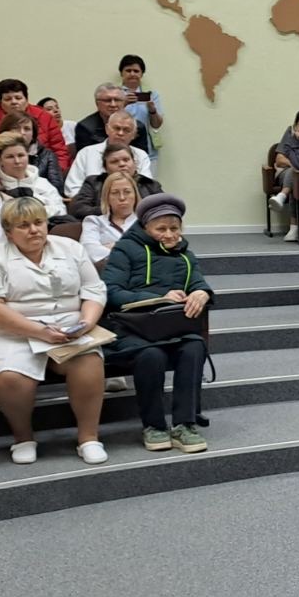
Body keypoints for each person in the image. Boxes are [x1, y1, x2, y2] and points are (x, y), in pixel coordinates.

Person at [0, 196, 108, 465]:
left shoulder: (70, 247)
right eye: (23, 225)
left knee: (89, 363)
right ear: (8, 232)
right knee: (12, 377)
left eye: (38, 222)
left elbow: (93, 290)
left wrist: (86, 324)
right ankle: (23, 438)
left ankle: (89, 438)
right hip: (10, 332)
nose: (34, 230)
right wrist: (40, 332)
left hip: (69, 328)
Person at [100, 193, 210, 453]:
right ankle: (154, 426)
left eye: (174, 228)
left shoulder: (186, 255)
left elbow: (198, 282)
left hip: (170, 326)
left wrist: (202, 292)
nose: (169, 235)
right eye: (161, 229)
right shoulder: (125, 249)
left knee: (194, 347)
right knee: (151, 355)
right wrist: (158, 298)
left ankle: (184, 424)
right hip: (130, 327)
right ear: (145, 227)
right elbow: (111, 292)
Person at [0, 78, 69, 169]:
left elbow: (59, 150)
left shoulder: (44, 116)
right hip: (6, 171)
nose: (14, 102)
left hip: (45, 169)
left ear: (26, 99)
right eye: (8, 99)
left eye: (18, 98)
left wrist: (56, 172)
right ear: (1, 102)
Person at [63, 111, 153, 197]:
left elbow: (147, 188)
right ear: (107, 129)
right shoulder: (86, 153)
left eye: (126, 130)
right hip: (92, 205)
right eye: (116, 128)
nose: (120, 133)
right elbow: (72, 188)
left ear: (134, 135)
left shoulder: (141, 155)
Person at [66, 141, 162, 219]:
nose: (122, 164)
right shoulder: (93, 183)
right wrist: (111, 210)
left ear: (134, 163)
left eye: (126, 160)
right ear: (105, 167)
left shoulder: (150, 185)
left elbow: (165, 208)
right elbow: (79, 209)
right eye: (114, 161)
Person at [0, 132, 67, 220]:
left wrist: (34, 213)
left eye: (21, 155)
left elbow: (61, 210)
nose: (17, 161)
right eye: (10, 157)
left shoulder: (42, 183)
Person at [270, 108, 299, 242]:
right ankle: (295, 227)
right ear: (295, 125)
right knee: (295, 175)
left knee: (297, 181)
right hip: (289, 173)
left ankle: (283, 198)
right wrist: (293, 166)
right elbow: (279, 159)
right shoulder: (290, 135)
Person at [0, 110, 66, 196]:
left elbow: (56, 188)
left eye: (27, 129)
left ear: (33, 134)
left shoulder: (47, 155)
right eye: (16, 128)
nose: (22, 132)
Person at [74, 83, 150, 158]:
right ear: (97, 103)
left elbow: (141, 157)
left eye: (117, 100)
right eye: (107, 100)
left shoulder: (138, 127)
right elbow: (86, 158)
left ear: (124, 102)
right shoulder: (85, 127)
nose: (113, 105)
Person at [80, 171, 140, 265]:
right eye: (115, 193)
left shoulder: (146, 222)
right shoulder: (94, 221)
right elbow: (90, 251)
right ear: (107, 197)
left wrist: (113, 246)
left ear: (135, 195)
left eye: (127, 192)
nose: (122, 197)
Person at [116, 54, 164, 164]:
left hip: (147, 150)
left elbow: (157, 125)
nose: (132, 74)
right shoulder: (114, 93)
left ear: (142, 74)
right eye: (128, 70)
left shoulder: (151, 94)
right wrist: (123, 104)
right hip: (120, 148)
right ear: (121, 73)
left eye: (136, 71)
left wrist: (152, 110)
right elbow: (106, 119)